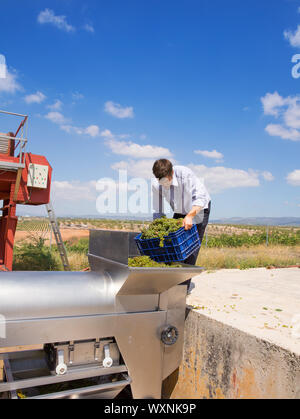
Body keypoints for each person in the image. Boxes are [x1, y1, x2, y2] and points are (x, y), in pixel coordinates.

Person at [152, 159, 211, 293]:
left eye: (167, 181)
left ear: (172, 172)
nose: (165, 185)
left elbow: (200, 198)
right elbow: (158, 210)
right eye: (162, 182)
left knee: (190, 247)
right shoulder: (156, 185)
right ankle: (170, 284)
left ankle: (181, 290)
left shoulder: (185, 174)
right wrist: (157, 228)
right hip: (179, 210)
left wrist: (190, 216)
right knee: (172, 245)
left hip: (198, 208)